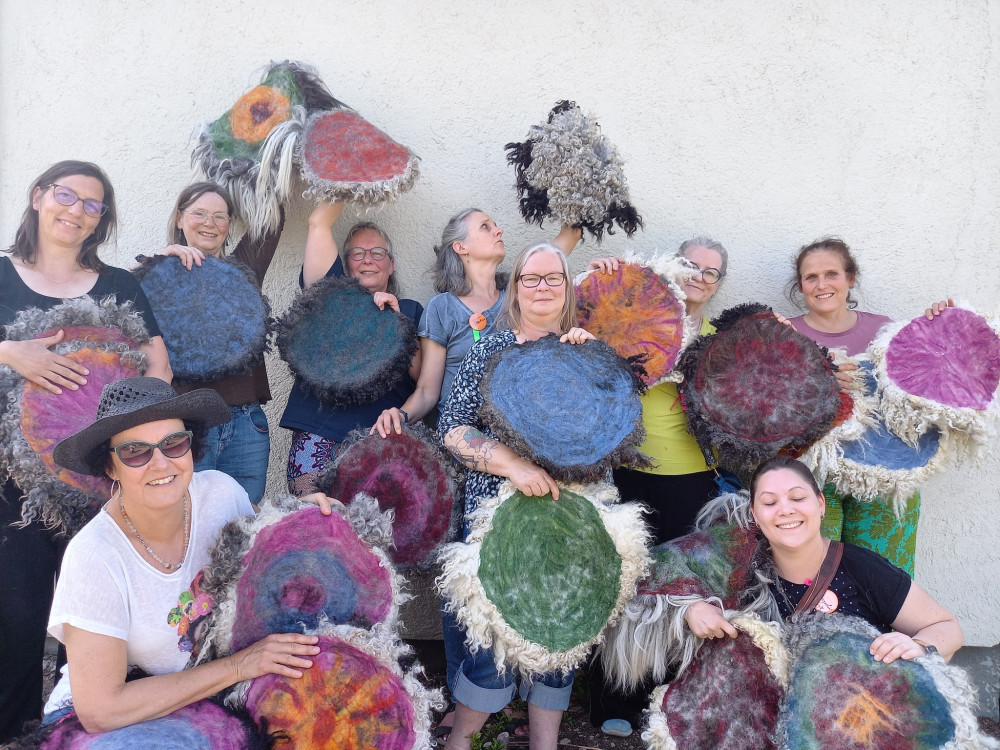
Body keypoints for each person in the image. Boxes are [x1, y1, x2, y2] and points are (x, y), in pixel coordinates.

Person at [42, 376, 337, 732]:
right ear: (109, 467)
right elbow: (101, 711)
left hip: (205, 700)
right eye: (135, 451)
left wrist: (301, 518)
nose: (160, 463)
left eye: (173, 443)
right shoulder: (94, 556)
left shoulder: (222, 494)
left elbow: (269, 550)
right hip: (110, 716)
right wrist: (239, 666)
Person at [0, 161, 170, 741]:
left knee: (96, 621)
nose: (76, 210)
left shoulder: (119, 285)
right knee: (16, 616)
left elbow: (158, 368)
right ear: (38, 196)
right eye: (66, 195)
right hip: (12, 485)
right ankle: (14, 734)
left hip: (99, 481)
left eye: (92, 205)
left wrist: (136, 447)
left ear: (101, 220)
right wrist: (11, 353)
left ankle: (78, 735)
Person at [438, 243, 595, 750]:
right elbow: (453, 428)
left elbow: (612, 434)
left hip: (569, 518)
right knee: (490, 641)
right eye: (531, 278)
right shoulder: (490, 349)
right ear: (515, 288)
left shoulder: (587, 351)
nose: (542, 287)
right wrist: (514, 465)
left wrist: (595, 367)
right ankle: (462, 741)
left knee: (561, 633)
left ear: (567, 288)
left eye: (553, 278)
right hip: (497, 518)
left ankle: (544, 744)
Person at [585, 237, 731, 737]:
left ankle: (665, 697)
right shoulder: (635, 317)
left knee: (680, 588)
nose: (699, 276)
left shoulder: (719, 342)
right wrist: (600, 280)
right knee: (623, 582)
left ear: (719, 284)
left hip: (694, 479)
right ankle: (613, 697)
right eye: (691, 264)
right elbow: (583, 337)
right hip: (626, 470)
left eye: (711, 271)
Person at [683, 456, 962, 663]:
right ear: (755, 514)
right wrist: (690, 608)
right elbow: (664, 577)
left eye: (797, 498)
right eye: (769, 503)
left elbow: (947, 627)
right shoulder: (739, 568)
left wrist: (919, 646)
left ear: (820, 504)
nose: (785, 510)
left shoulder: (860, 567)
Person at [784, 237, 950, 575]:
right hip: (811, 480)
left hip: (884, 478)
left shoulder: (885, 332)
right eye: (811, 277)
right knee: (814, 582)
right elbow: (762, 414)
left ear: (850, 278)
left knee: (884, 579)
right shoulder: (784, 335)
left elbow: (924, 389)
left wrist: (943, 327)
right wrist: (816, 383)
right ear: (801, 286)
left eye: (831, 274)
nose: (821, 285)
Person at [371, 209, 581, 437]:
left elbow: (547, 263)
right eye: (485, 226)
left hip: (518, 434)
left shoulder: (521, 298)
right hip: (460, 437)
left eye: (495, 225)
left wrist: (600, 275)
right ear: (460, 247)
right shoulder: (442, 308)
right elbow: (427, 391)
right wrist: (400, 415)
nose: (499, 231)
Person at [280, 202, 423, 495]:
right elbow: (318, 223)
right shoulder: (329, 299)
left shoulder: (410, 310)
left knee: (370, 523)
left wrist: (397, 324)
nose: (368, 259)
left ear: (391, 265)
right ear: (346, 265)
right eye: (358, 253)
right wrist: (351, 184)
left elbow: (422, 378)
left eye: (378, 253)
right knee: (315, 519)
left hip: (378, 442)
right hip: (318, 433)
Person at [156, 181, 284, 505]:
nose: (209, 223)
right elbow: (119, 310)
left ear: (229, 225)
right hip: (188, 424)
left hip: (246, 424)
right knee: (188, 519)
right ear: (179, 219)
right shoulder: (154, 276)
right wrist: (158, 264)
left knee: (243, 520)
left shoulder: (243, 270)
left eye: (220, 216)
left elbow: (273, 214)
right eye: (199, 213)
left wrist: (248, 166)